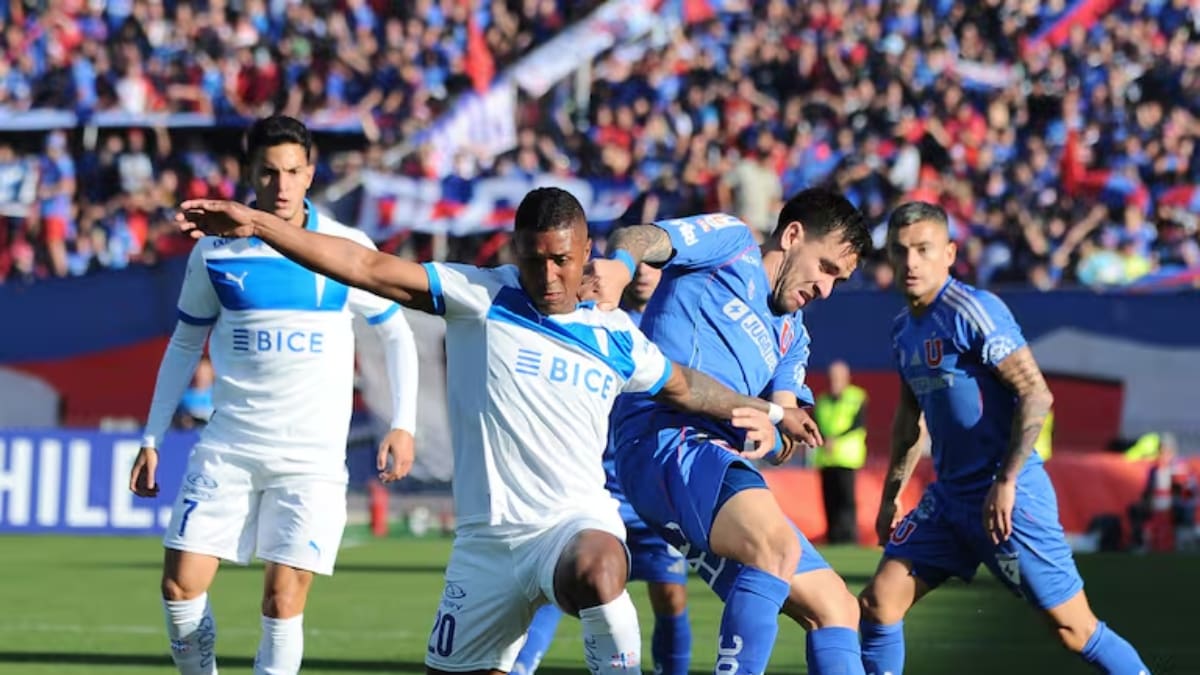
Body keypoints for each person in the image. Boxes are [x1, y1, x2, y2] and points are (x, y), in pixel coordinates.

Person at [175, 186, 824, 675]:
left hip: (570, 530)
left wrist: (768, 409)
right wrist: (259, 223)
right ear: (516, 251)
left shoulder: (616, 335)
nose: (549, 276)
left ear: (587, 253)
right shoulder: (477, 294)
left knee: (603, 570)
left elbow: (686, 384)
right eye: (535, 259)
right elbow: (364, 266)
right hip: (484, 551)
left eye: (563, 260)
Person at [128, 115, 421, 675]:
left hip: (310, 461)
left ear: (310, 174)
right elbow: (185, 341)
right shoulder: (214, 251)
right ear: (249, 173)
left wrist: (402, 422)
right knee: (178, 589)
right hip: (230, 447)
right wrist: (152, 436)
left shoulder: (343, 248)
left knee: (282, 603)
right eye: (269, 172)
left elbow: (394, 331)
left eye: (293, 171)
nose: (281, 185)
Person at [589, 187, 873, 674]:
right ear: (792, 234)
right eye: (825, 268)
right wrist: (618, 265)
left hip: (709, 467)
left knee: (838, 607)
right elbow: (639, 236)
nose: (826, 289)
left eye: (838, 281)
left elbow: (783, 418)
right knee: (776, 549)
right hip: (663, 439)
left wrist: (777, 432)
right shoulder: (731, 243)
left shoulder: (793, 335)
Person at [858, 201, 1150, 675]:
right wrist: (891, 498)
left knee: (1073, 630)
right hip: (949, 500)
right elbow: (909, 421)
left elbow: (1036, 393)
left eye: (923, 249)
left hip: (1008, 499)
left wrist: (1007, 480)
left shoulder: (973, 310)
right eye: (900, 251)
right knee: (878, 604)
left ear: (949, 253)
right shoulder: (901, 331)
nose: (910, 262)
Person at [512, 257, 695, 675]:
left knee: (670, 595)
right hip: (592, 488)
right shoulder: (590, 321)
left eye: (656, 265)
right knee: (559, 581)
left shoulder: (676, 329)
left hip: (653, 492)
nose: (646, 273)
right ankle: (520, 667)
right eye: (638, 265)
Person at [813, 359, 868, 544]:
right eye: (831, 378)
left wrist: (835, 439)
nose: (834, 381)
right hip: (826, 458)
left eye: (837, 377)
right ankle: (833, 537)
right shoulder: (821, 400)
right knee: (829, 500)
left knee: (847, 500)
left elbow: (857, 423)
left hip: (847, 457)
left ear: (846, 378)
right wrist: (824, 438)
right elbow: (817, 423)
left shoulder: (857, 397)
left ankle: (849, 537)